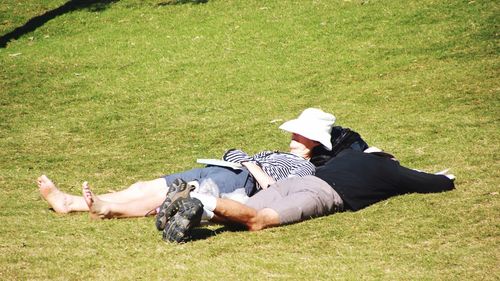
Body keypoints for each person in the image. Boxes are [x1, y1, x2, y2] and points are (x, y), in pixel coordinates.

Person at [37, 108, 337, 220]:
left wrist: (250, 165)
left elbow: (275, 187)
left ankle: (104, 207)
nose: (295, 135)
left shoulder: (305, 169)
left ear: (314, 142)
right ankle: (70, 202)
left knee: (160, 198)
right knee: (145, 186)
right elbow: (233, 151)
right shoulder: (273, 153)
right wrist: (247, 160)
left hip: (240, 181)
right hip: (223, 168)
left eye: (301, 133)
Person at [159, 149, 456, 242]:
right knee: (257, 220)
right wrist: (445, 177)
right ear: (389, 158)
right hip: (322, 193)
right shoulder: (389, 169)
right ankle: (202, 201)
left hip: (295, 182)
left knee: (242, 212)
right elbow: (433, 183)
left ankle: (200, 208)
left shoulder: (346, 157)